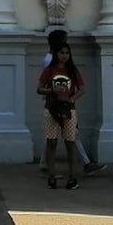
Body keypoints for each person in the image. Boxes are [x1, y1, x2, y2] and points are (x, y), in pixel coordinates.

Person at [38, 29, 105, 176]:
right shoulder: (52, 62)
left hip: (59, 103)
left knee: (53, 138)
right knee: (66, 136)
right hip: (57, 103)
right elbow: (44, 85)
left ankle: (45, 165)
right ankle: (85, 164)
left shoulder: (51, 60)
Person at [37, 43, 85, 189]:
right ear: (56, 54)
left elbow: (82, 88)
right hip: (51, 108)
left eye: (67, 53)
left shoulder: (72, 70)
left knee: (70, 143)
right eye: (61, 53)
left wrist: (72, 98)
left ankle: (72, 177)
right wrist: (50, 90)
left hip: (68, 110)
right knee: (51, 142)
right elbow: (39, 88)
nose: (64, 56)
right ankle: (52, 176)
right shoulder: (49, 70)